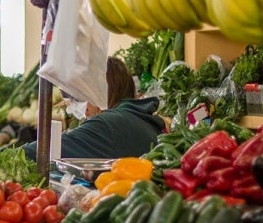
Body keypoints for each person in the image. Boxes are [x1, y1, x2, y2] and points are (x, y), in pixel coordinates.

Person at [23, 57, 165, 160]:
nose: (84, 110)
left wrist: (3, 156)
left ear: (101, 92)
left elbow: (45, 149)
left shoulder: (107, 124)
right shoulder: (139, 118)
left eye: (83, 96)